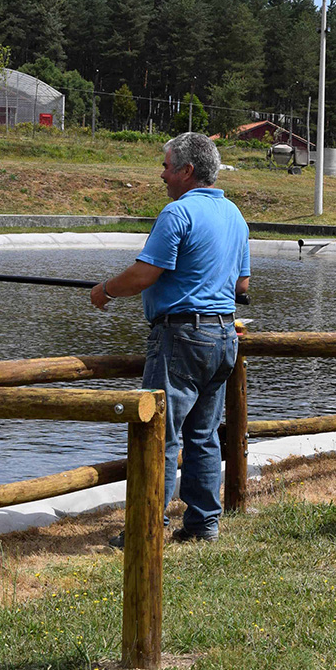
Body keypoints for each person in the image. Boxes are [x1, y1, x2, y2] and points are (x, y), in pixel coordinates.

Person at [92, 132, 251, 543]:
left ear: (186, 170)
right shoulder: (235, 215)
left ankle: (148, 528)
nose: (162, 174)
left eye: (166, 166)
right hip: (223, 338)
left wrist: (105, 290)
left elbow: (144, 274)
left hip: (181, 336)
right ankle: (203, 525)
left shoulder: (177, 213)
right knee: (202, 436)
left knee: (160, 432)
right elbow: (243, 286)